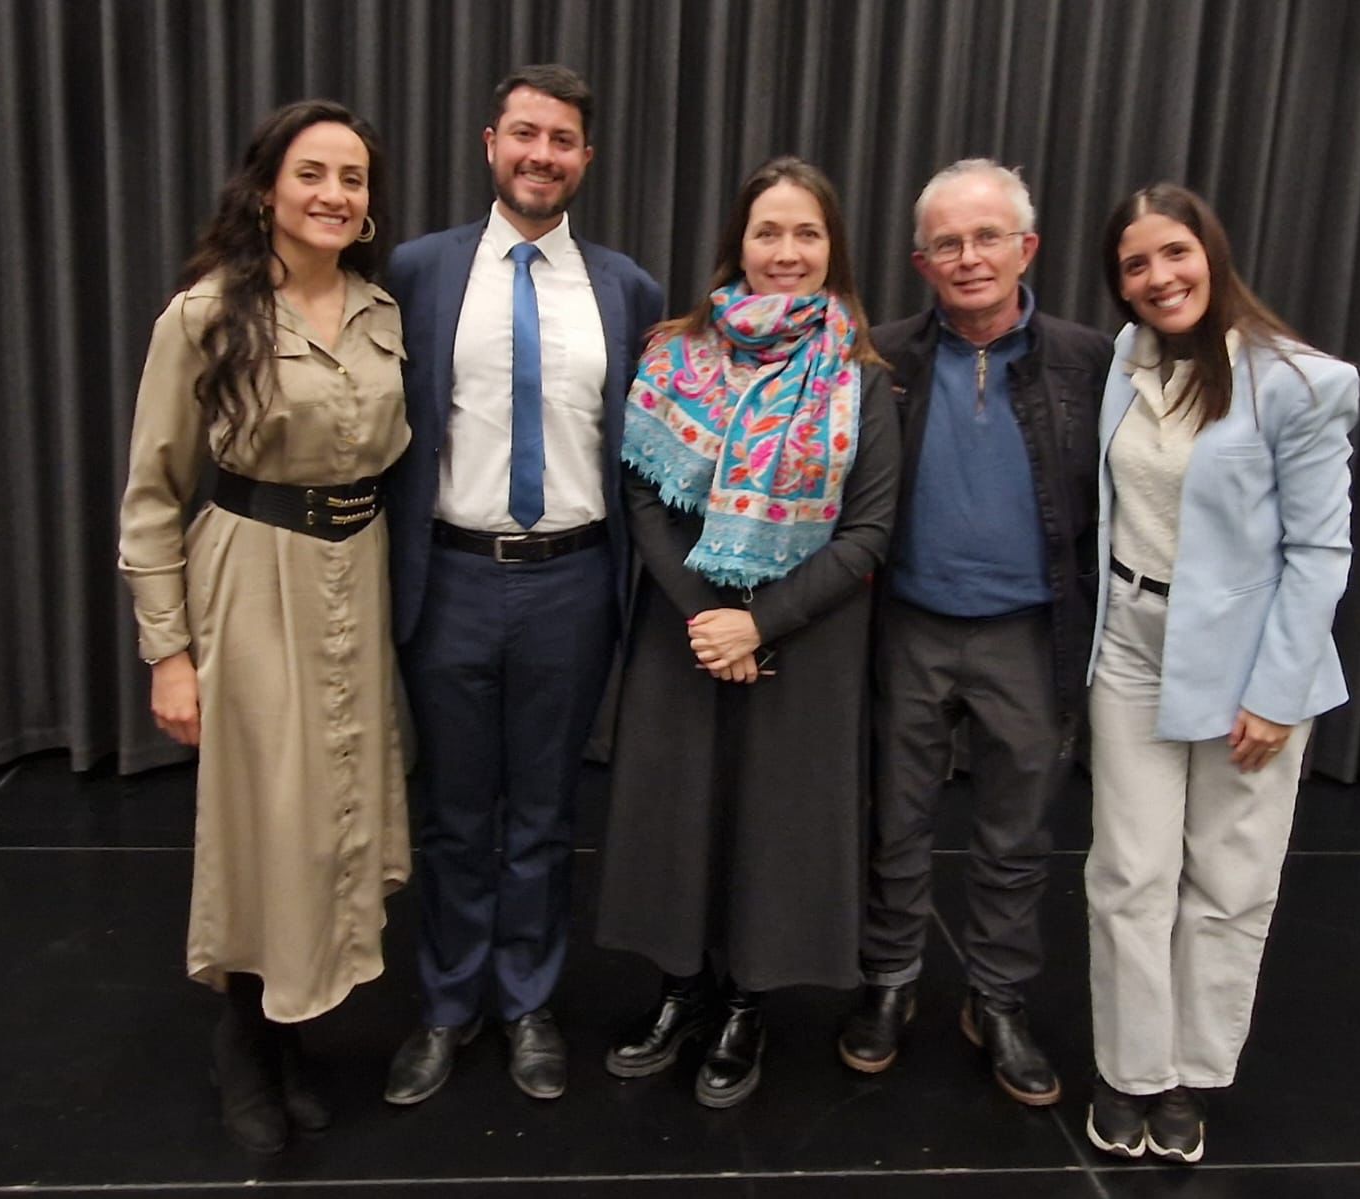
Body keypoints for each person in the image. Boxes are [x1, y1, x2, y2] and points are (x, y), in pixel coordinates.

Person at [118, 100, 408, 1153]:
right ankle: (242, 1037)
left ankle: (296, 1026)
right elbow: (153, 492)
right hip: (251, 579)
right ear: (267, 188)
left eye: (354, 178)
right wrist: (171, 653)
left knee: (332, 809)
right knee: (258, 817)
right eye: (313, 173)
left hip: (356, 578)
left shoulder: (383, 311)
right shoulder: (205, 314)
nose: (335, 194)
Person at [380, 64, 662, 1106]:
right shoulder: (418, 270)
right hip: (450, 576)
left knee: (544, 809)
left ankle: (528, 1000)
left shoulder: (627, 290)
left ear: (585, 159)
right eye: (525, 135)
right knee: (455, 812)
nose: (542, 155)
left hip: (574, 584)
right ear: (490, 143)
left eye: (563, 140)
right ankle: (449, 1002)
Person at [595, 156, 899, 1109]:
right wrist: (706, 615)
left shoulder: (862, 373)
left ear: (832, 249)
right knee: (679, 810)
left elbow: (870, 532)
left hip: (804, 637)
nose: (786, 252)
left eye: (807, 234)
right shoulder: (674, 350)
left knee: (773, 822)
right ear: (739, 243)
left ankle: (746, 1004)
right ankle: (681, 989)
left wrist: (759, 622)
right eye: (769, 232)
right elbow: (643, 493)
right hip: (682, 627)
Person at [1083, 183, 1358, 1164]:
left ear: (1212, 253)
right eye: (1135, 264)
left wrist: (1277, 693)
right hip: (1131, 643)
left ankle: (1190, 1080)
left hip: (1250, 666)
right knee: (1129, 871)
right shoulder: (1122, 361)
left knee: (1228, 882)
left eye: (1174, 253)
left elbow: (1320, 551)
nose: (1159, 277)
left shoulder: (1300, 381)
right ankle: (1131, 1071)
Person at [838, 160, 1110, 1107]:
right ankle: (891, 979)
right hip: (905, 624)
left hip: (1030, 634)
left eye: (987, 236)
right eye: (948, 242)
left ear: (1026, 247)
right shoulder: (883, 358)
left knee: (1015, 834)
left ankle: (996, 997)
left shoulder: (1089, 360)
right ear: (921, 260)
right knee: (895, 821)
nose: (969, 257)